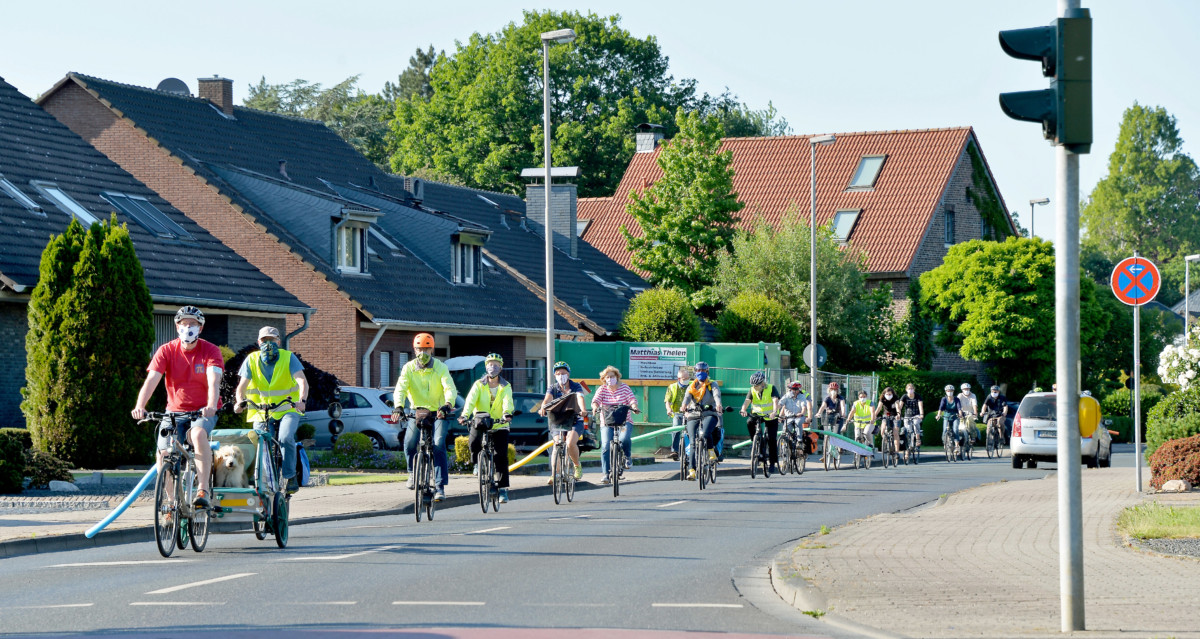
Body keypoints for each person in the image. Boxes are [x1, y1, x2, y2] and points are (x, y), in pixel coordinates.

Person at [131, 306, 222, 509]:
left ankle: (203, 490)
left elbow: (214, 382)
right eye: (183, 323)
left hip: (202, 410)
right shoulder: (166, 350)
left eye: (193, 324)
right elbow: (152, 380)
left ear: (201, 328)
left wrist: (210, 405)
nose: (187, 327)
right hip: (174, 410)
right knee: (163, 453)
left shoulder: (211, 351)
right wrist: (140, 406)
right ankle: (172, 504)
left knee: (198, 434)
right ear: (177, 326)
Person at [233, 326, 309, 493]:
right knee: (259, 442)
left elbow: (302, 382)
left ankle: (290, 476)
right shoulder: (251, 360)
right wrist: (239, 402)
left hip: (288, 407)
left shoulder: (288, 358)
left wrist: (302, 400)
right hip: (261, 410)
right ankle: (263, 477)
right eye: (264, 340)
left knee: (285, 437)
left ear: (278, 342)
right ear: (259, 342)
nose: (268, 343)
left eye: (272, 340)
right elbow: (241, 387)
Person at [394, 333, 457, 502]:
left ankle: (439, 486)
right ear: (414, 350)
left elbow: (449, 387)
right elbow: (400, 388)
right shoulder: (408, 368)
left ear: (432, 349)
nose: (423, 352)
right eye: (419, 349)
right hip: (418, 412)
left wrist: (448, 404)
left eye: (426, 349)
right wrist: (398, 406)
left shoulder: (440, 367)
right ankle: (411, 473)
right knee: (409, 442)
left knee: (438, 444)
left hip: (438, 412)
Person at [463, 353, 514, 503]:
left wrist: (507, 413)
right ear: (486, 367)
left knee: (500, 456)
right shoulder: (479, 384)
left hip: (500, 424)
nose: (493, 367)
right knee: (473, 442)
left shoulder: (506, 386)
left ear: (501, 367)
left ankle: (503, 489)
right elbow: (470, 401)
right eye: (490, 364)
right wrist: (464, 415)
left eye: (496, 364)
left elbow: (507, 401)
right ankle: (477, 464)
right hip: (481, 422)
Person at [540, 361, 588, 485]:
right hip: (558, 419)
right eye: (558, 373)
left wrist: (583, 410)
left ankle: (577, 466)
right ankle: (554, 474)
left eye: (564, 373)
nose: (561, 375)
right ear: (555, 375)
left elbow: (579, 397)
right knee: (557, 444)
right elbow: (547, 399)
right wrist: (543, 408)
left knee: (570, 443)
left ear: (568, 374)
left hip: (574, 418)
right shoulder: (552, 387)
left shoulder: (575, 386)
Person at [591, 366, 639, 484]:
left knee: (624, 438)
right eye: (607, 377)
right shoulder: (602, 389)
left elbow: (632, 399)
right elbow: (595, 401)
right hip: (607, 422)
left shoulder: (624, 388)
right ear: (604, 379)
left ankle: (627, 457)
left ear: (617, 377)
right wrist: (595, 408)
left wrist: (634, 407)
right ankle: (606, 473)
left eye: (612, 376)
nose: (610, 379)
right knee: (606, 445)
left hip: (624, 422)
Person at [680, 361, 724, 479]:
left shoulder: (712, 384)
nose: (701, 373)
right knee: (693, 441)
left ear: (707, 372)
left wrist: (718, 405)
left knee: (705, 433)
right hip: (693, 414)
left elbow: (716, 395)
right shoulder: (692, 386)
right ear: (695, 372)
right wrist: (684, 406)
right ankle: (692, 471)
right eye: (698, 371)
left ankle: (710, 451)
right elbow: (687, 397)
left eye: (703, 370)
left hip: (709, 413)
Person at [741, 371, 782, 474]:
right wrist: (743, 410)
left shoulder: (771, 388)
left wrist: (774, 412)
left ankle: (772, 463)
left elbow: (775, 400)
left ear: (763, 383)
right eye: (753, 385)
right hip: (757, 414)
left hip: (770, 416)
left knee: (771, 438)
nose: (755, 387)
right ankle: (755, 440)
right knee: (749, 422)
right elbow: (747, 401)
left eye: (757, 385)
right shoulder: (752, 390)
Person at [813, 382, 846, 465]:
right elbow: (823, 406)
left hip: (838, 417)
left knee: (836, 434)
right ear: (829, 390)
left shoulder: (840, 398)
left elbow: (842, 406)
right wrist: (819, 413)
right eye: (832, 389)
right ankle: (825, 454)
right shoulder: (827, 398)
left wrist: (843, 413)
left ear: (838, 390)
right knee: (826, 435)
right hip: (828, 417)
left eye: (835, 389)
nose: (833, 391)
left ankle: (838, 447)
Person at [666, 367, 692, 461]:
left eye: (688, 378)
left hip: (690, 413)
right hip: (677, 413)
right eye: (684, 379)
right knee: (676, 428)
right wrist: (669, 409)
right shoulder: (672, 387)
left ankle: (691, 450)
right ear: (679, 379)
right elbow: (667, 401)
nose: (687, 380)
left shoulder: (692, 386)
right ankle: (675, 451)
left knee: (691, 431)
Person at [874, 386, 903, 455]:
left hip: (895, 416)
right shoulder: (882, 398)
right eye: (887, 394)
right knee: (882, 431)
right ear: (884, 394)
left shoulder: (895, 398)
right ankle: (887, 444)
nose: (888, 396)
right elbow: (879, 408)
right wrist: (874, 415)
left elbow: (898, 407)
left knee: (895, 432)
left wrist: (898, 414)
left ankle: (896, 452)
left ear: (892, 394)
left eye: (890, 394)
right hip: (886, 415)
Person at [899, 383, 925, 448]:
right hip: (907, 416)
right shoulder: (904, 396)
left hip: (916, 415)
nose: (910, 390)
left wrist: (921, 414)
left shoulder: (917, 396)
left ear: (914, 389)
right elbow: (900, 407)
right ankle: (908, 445)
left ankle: (918, 439)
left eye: (912, 388)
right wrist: (898, 414)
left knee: (916, 423)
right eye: (909, 389)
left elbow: (920, 406)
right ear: (906, 389)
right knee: (907, 429)